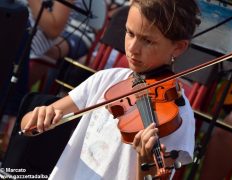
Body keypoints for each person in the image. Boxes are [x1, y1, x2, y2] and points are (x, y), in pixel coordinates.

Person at [21, 0, 200, 179]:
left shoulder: (179, 116)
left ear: (178, 47)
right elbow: (26, 126)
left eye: (147, 41)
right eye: (130, 33)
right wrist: (39, 117)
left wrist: (145, 162)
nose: (132, 48)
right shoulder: (106, 80)